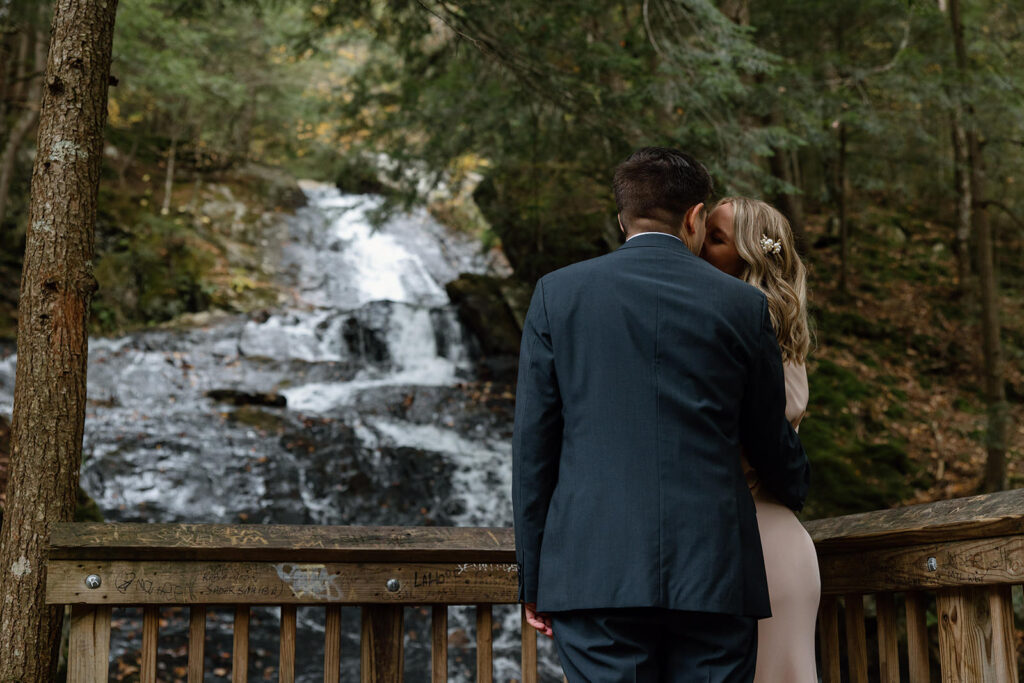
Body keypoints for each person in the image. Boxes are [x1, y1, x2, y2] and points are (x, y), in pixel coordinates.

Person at [512, 147, 810, 682]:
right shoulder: (744, 306)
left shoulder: (557, 294)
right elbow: (769, 439)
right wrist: (794, 493)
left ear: (622, 217)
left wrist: (534, 578)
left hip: (592, 573)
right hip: (717, 572)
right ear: (695, 217)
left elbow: (535, 450)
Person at [700, 197, 820, 682]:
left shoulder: (763, 330)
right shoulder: (756, 325)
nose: (697, 246)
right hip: (723, 542)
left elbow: (770, 440)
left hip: (766, 545)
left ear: (750, 255)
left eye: (715, 238)